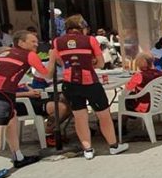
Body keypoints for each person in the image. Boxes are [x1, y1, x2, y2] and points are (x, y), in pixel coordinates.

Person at [0, 30, 56, 178]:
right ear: (21, 43)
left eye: (36, 41)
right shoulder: (29, 55)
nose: (36, 44)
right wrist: (52, 57)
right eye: (32, 41)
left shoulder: (4, 53)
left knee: (12, 118)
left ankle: (18, 156)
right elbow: (47, 75)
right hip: (1, 95)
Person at [53, 15, 128, 160]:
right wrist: (90, 63)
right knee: (103, 115)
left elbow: (60, 61)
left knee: (80, 117)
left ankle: (87, 149)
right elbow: (100, 63)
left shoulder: (57, 42)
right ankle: (113, 146)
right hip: (89, 81)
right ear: (82, 27)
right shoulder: (90, 40)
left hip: (69, 82)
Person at [123, 53, 162, 117]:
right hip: (158, 103)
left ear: (138, 64)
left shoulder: (139, 75)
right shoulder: (161, 73)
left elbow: (126, 91)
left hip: (144, 106)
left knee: (124, 99)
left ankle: (123, 123)